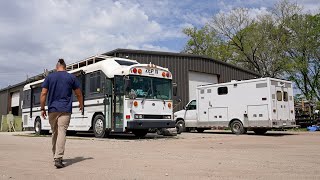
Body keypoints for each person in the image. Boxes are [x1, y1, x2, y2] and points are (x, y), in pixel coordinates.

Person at [40, 59, 84, 168]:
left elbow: (43, 93)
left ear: (57, 66)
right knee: (62, 131)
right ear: (65, 67)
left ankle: (56, 156)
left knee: (55, 132)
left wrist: (42, 108)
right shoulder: (71, 77)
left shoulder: (49, 77)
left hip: (52, 109)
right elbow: (78, 93)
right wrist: (81, 104)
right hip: (65, 109)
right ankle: (58, 158)